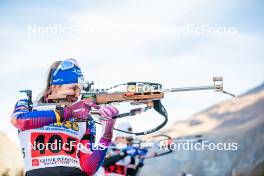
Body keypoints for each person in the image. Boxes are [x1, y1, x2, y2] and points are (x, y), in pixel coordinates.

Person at [11, 59, 119, 176]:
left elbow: (88, 168)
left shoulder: (85, 119)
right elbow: (19, 121)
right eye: (73, 88)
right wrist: (67, 113)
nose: (77, 94)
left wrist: (106, 137)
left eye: (79, 90)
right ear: (55, 86)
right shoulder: (29, 105)